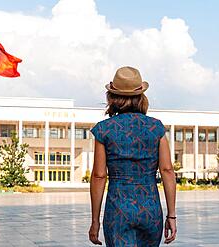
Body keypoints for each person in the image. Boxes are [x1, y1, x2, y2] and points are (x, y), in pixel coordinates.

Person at [89, 66, 177, 246]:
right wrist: (172, 215)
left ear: (112, 97)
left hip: (118, 209)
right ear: (141, 96)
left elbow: (99, 175)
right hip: (150, 209)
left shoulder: (104, 129)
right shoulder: (156, 128)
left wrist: (95, 221)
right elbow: (167, 170)